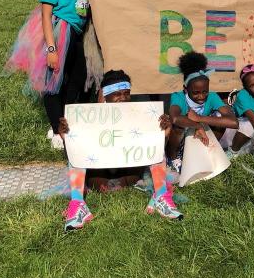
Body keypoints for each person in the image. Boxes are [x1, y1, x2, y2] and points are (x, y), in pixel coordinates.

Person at [58, 69, 182, 230]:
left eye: (126, 93)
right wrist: (67, 137)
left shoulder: (141, 116)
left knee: (155, 141)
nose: (123, 98)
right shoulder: (88, 118)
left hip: (128, 175)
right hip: (100, 178)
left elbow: (154, 151)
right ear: (105, 95)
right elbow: (74, 154)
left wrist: (163, 134)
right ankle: (77, 205)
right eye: (117, 94)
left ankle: (161, 196)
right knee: (78, 145)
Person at [5, 0, 98, 143]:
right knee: (54, 81)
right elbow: (46, 16)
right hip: (61, 30)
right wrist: (51, 49)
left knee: (78, 78)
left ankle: (64, 119)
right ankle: (56, 130)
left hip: (79, 29)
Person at [167, 52, 238, 169]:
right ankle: (173, 158)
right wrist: (198, 125)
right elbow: (174, 118)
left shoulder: (212, 96)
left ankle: (205, 152)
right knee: (178, 126)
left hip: (200, 136)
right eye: (196, 92)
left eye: (205, 91)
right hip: (183, 137)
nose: (201, 96)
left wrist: (199, 118)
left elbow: (234, 122)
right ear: (185, 89)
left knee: (220, 118)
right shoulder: (178, 96)